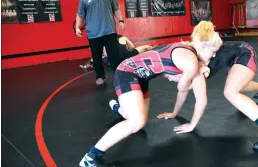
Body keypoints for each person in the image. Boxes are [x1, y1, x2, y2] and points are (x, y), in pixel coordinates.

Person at [79, 21, 223, 167]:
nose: (215, 54)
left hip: (142, 77)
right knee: (136, 122)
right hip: (127, 72)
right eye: (214, 51)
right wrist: (198, 75)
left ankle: (118, 107)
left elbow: (171, 73)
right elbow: (182, 88)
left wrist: (175, 111)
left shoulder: (188, 51)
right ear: (203, 46)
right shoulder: (191, 62)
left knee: (139, 121)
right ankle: (90, 158)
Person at [158, 40, 258, 150]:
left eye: (169, 76)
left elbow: (200, 100)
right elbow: (185, 89)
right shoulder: (190, 65)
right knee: (238, 86)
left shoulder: (194, 62)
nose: (169, 79)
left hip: (244, 52)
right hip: (234, 58)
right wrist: (174, 113)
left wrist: (192, 125)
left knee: (230, 91)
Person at [75, 0, 125, 85]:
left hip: (110, 31)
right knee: (96, 57)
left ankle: (119, 75)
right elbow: (80, 14)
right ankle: (100, 77)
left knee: (114, 56)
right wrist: (77, 27)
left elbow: (116, 8)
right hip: (93, 34)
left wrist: (120, 20)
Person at [80, 34, 155, 69]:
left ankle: (91, 63)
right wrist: (127, 48)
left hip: (114, 62)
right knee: (145, 47)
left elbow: (106, 54)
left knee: (101, 57)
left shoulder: (106, 43)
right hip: (127, 56)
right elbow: (132, 47)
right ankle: (156, 50)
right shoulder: (123, 38)